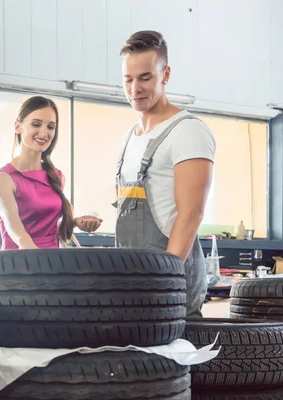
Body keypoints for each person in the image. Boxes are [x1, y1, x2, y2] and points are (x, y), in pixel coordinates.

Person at [114, 30, 216, 318]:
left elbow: (191, 213)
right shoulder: (129, 138)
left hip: (170, 289)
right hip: (131, 284)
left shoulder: (188, 131)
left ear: (165, 74)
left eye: (145, 77)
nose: (135, 88)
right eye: (128, 79)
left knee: (173, 364)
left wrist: (164, 284)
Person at [0, 96, 102, 250]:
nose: (44, 133)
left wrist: (74, 223)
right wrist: (35, 256)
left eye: (50, 126)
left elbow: (44, 228)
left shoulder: (56, 176)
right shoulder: (4, 179)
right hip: (17, 263)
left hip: (51, 264)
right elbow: (14, 227)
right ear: (17, 127)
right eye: (36, 124)